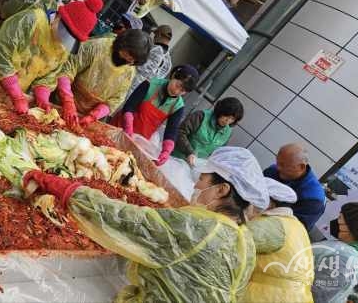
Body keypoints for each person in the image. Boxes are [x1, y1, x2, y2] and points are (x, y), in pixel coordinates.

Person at [22, 146, 270, 302]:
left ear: (222, 189)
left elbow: (125, 219)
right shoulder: (246, 243)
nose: (196, 185)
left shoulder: (200, 228)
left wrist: (68, 191)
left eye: (204, 179)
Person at [0, 0, 104, 114]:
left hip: (8, 97)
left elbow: (48, 76)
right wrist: (17, 96)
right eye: (64, 32)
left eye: (69, 38)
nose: (63, 39)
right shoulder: (30, 20)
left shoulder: (64, 48)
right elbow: (1, 54)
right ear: (59, 16)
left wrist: (42, 98)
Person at [33, 29, 151, 127]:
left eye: (134, 60)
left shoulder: (129, 71)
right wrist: (68, 101)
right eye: (130, 55)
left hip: (84, 119)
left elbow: (114, 100)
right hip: (59, 102)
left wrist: (93, 116)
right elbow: (67, 69)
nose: (131, 60)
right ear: (124, 44)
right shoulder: (97, 47)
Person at [244, 178, 314, 303]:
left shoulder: (271, 224)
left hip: (269, 296)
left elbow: (233, 241)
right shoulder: (295, 225)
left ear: (270, 202)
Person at [114, 64, 199, 166]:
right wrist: (128, 127)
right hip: (120, 128)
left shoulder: (178, 106)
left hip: (139, 141)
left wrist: (166, 151)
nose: (176, 91)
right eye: (177, 85)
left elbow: (171, 130)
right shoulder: (150, 84)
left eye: (182, 91)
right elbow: (129, 106)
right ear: (174, 75)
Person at [311, 202, 358, 303]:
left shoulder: (344, 259)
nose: (336, 221)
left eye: (340, 219)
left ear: (352, 228)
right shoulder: (351, 253)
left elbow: (317, 296)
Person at [263, 143, 326, 232]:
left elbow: (296, 229)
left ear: (301, 167)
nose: (278, 167)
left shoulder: (314, 198)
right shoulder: (272, 170)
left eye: (283, 165)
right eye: (277, 162)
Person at [172, 97, 244, 164]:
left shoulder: (228, 133)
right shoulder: (200, 116)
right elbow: (180, 132)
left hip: (194, 166)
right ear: (221, 111)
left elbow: (218, 152)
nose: (227, 121)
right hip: (175, 158)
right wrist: (189, 152)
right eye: (226, 116)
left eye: (232, 119)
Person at [128, 25, 173, 94]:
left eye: (155, 34)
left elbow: (138, 67)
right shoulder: (169, 63)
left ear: (159, 35)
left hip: (130, 84)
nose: (154, 36)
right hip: (143, 92)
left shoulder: (153, 49)